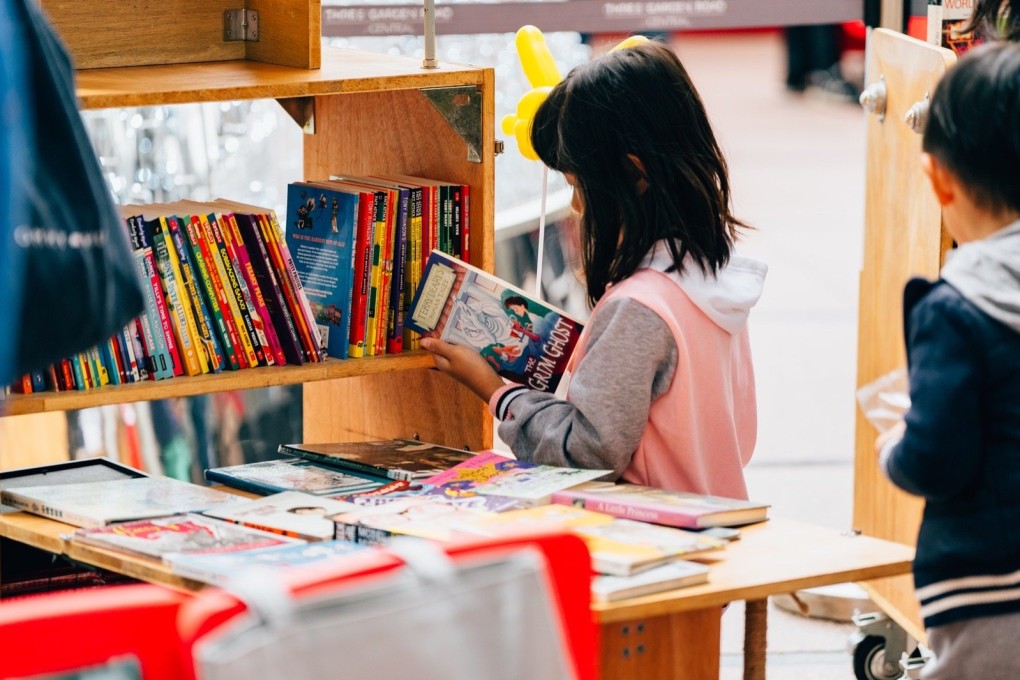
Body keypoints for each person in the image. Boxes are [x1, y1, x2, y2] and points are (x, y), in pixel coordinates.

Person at [422, 41, 767, 499]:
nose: (578, 206)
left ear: (632, 174)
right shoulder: (710, 274)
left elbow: (588, 451)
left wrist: (495, 391)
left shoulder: (638, 308)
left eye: (578, 184)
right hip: (716, 516)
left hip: (653, 534)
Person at [875, 42, 1020, 679]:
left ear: (939, 177)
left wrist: (893, 445)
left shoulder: (955, 308)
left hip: (986, 584)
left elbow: (936, 457)